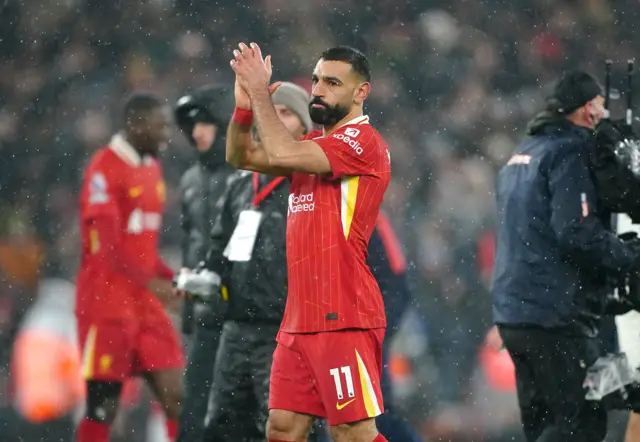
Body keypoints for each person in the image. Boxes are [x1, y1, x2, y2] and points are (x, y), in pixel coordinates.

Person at [227, 44, 391, 442]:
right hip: (299, 320)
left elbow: (281, 150)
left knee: (353, 433)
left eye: (333, 83)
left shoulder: (362, 142)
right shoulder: (312, 148)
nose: (318, 89)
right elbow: (239, 154)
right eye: (316, 79)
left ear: (360, 93)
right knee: (282, 430)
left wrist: (261, 92)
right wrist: (245, 105)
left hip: (344, 316)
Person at [491, 71, 640, 442]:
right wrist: (627, 256)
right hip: (554, 316)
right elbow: (576, 232)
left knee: (546, 425)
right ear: (588, 109)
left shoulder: (524, 151)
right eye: (602, 107)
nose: (605, 116)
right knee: (581, 426)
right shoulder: (570, 151)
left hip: (514, 315)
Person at [200, 81, 323, 441]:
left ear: (305, 126)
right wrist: (207, 278)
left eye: (286, 113)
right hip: (237, 328)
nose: (276, 120)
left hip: (285, 332)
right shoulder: (240, 185)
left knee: (286, 429)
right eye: (271, 112)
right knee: (222, 427)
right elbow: (220, 244)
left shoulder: (311, 181)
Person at [74, 93, 185, 442]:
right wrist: (154, 284)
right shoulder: (104, 167)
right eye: (160, 125)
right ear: (136, 125)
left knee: (177, 397)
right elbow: (109, 249)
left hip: (144, 303)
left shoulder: (152, 168)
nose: (167, 133)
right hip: (106, 303)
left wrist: (173, 277)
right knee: (103, 407)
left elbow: (143, 249)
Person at [173, 84, 236, 442]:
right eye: (191, 126)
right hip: (202, 315)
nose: (195, 133)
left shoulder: (246, 174)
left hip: (238, 314)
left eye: (204, 124)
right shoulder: (190, 181)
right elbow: (190, 242)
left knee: (239, 409)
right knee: (196, 408)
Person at [368, 212, 423, 442]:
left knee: (376, 418)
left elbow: (397, 287)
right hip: (333, 336)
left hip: (362, 338)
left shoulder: (369, 215)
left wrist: (370, 334)